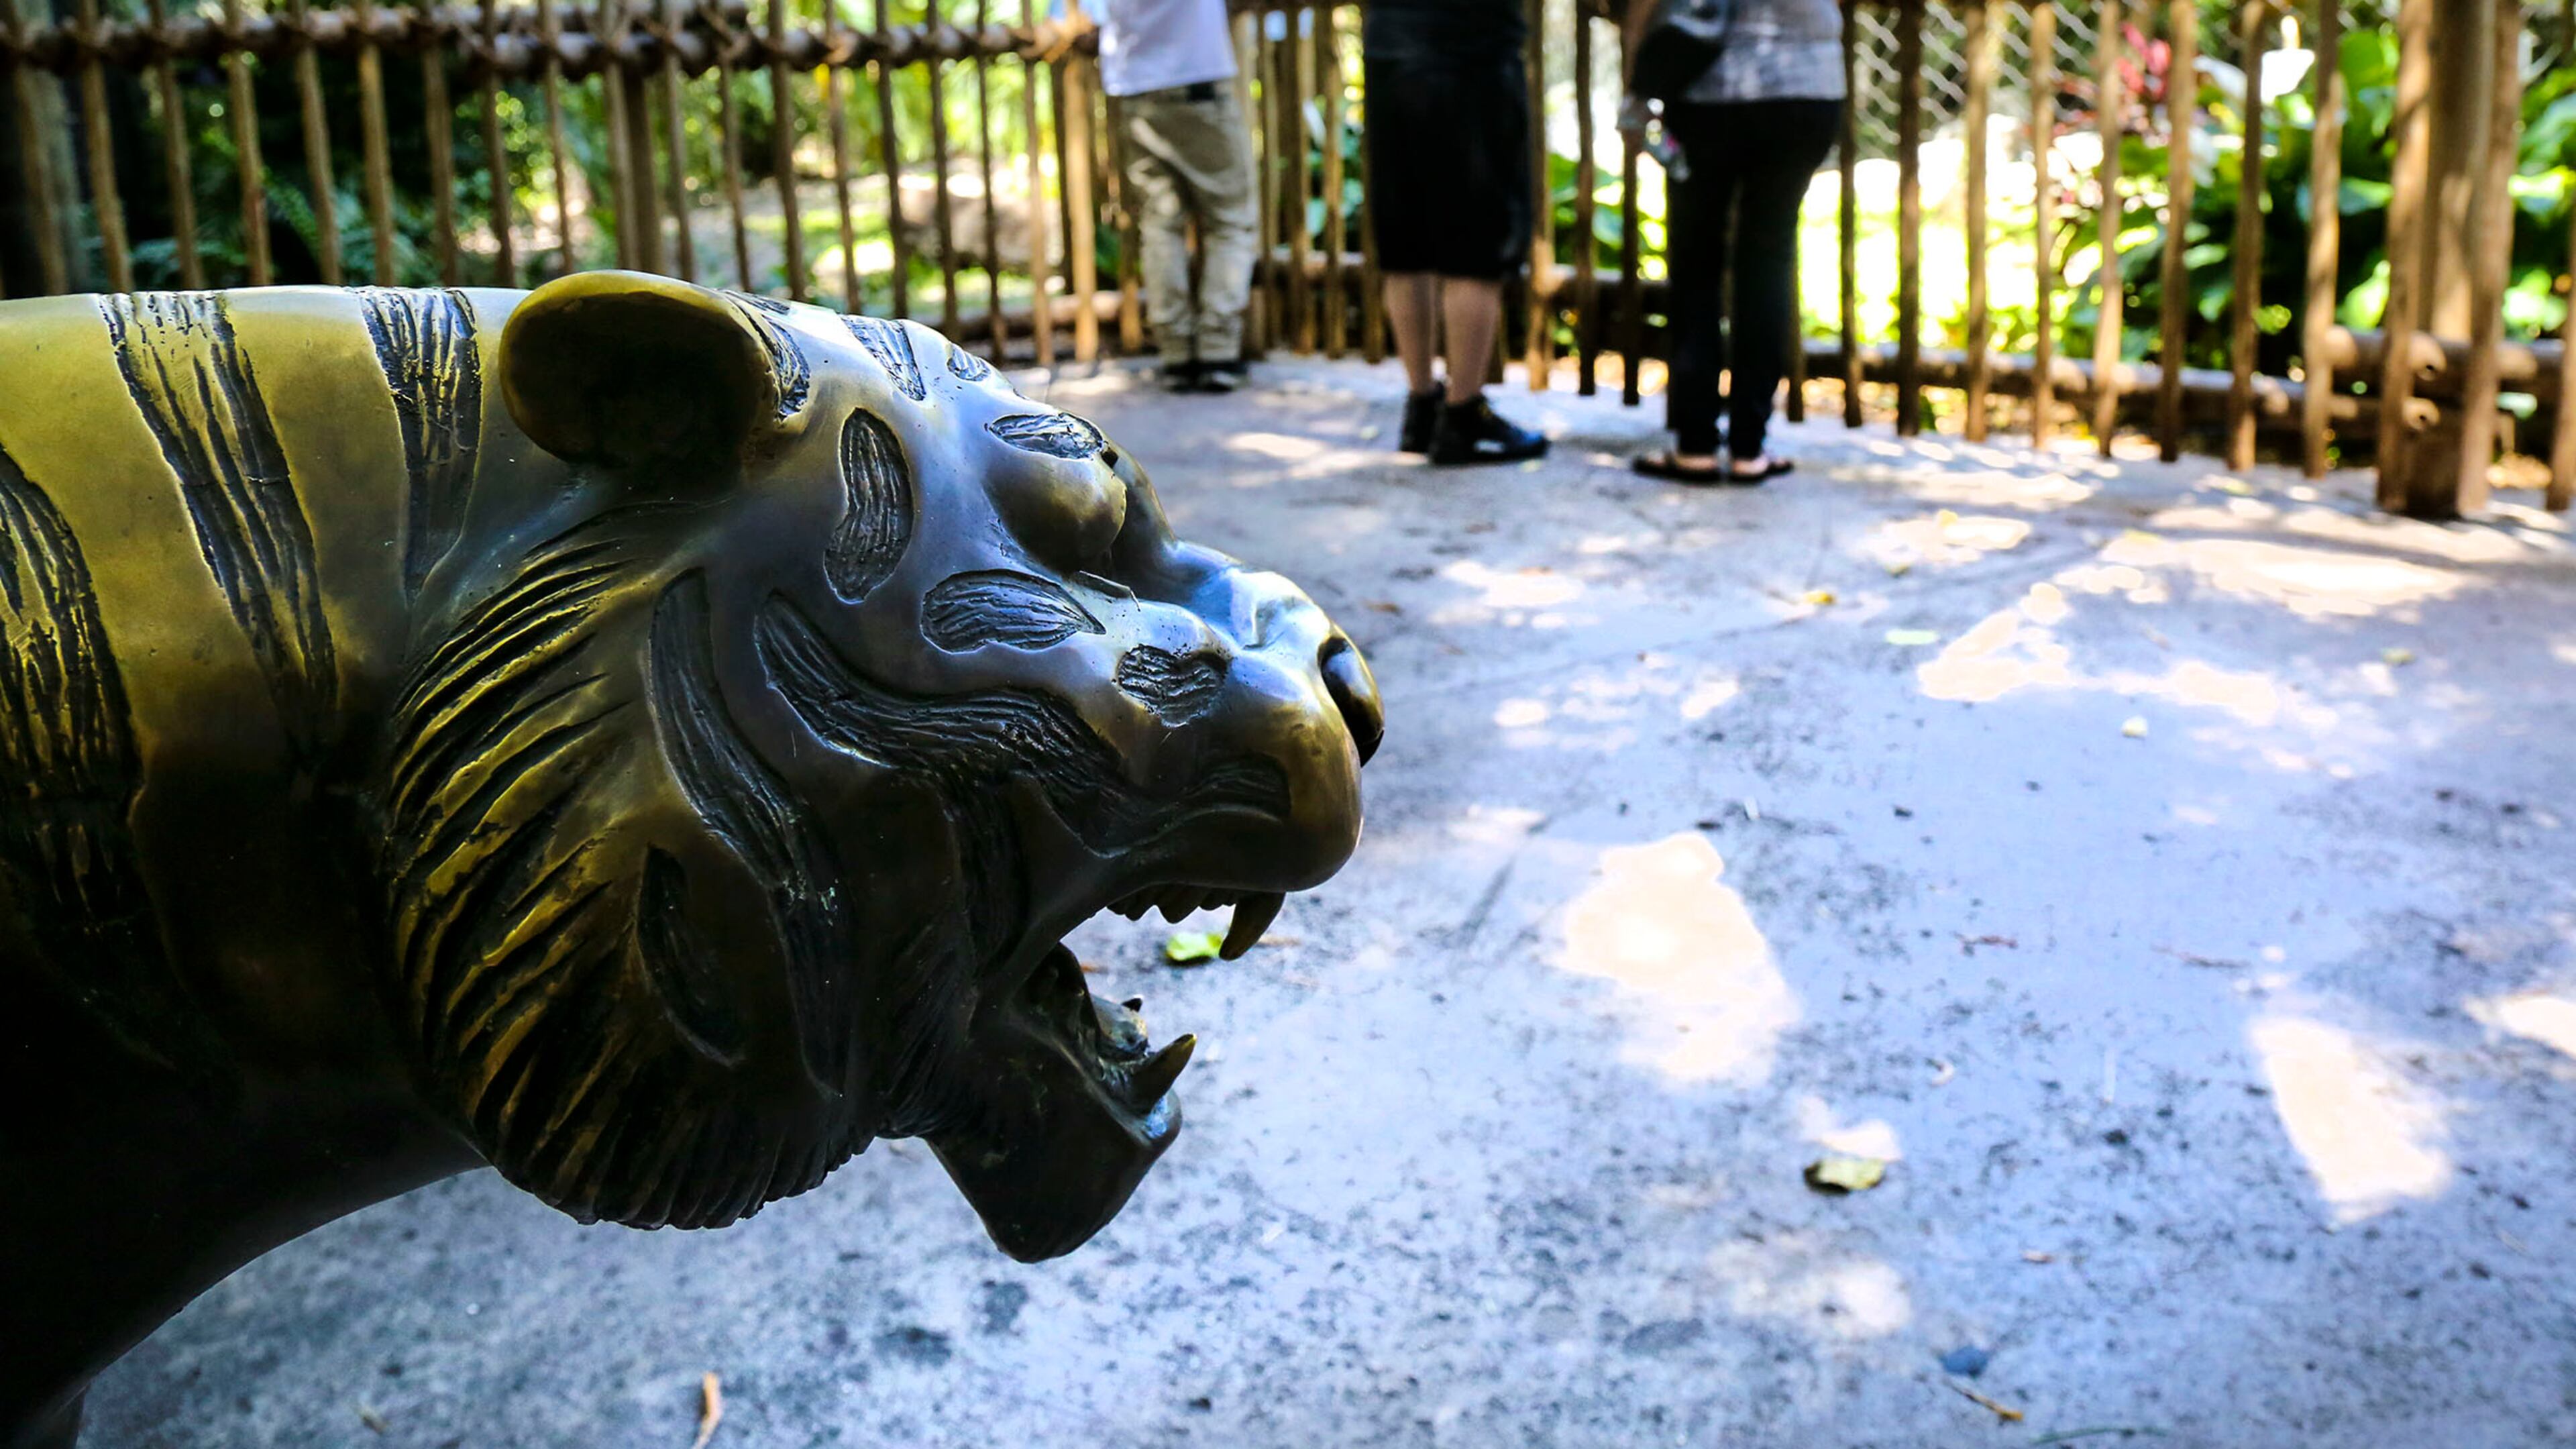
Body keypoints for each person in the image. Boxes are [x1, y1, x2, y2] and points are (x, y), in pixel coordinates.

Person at [1628, 0, 1845, 484]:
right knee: (1768, 262)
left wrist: (1637, 88)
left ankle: (1696, 446)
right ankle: (1750, 448)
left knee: (1695, 262)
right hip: (1806, 90)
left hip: (1709, 89)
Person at [1363, 0, 1550, 465]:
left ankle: (1421, 405)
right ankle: (1463, 416)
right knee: (1476, 247)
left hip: (1391, 54)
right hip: (1472, 56)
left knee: (1406, 245)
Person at [1097, 0, 1259, 393]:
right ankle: (1218, 350)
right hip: (1199, 81)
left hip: (1136, 89)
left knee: (1160, 223)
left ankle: (1176, 351)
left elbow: (1085, 17)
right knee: (1230, 219)